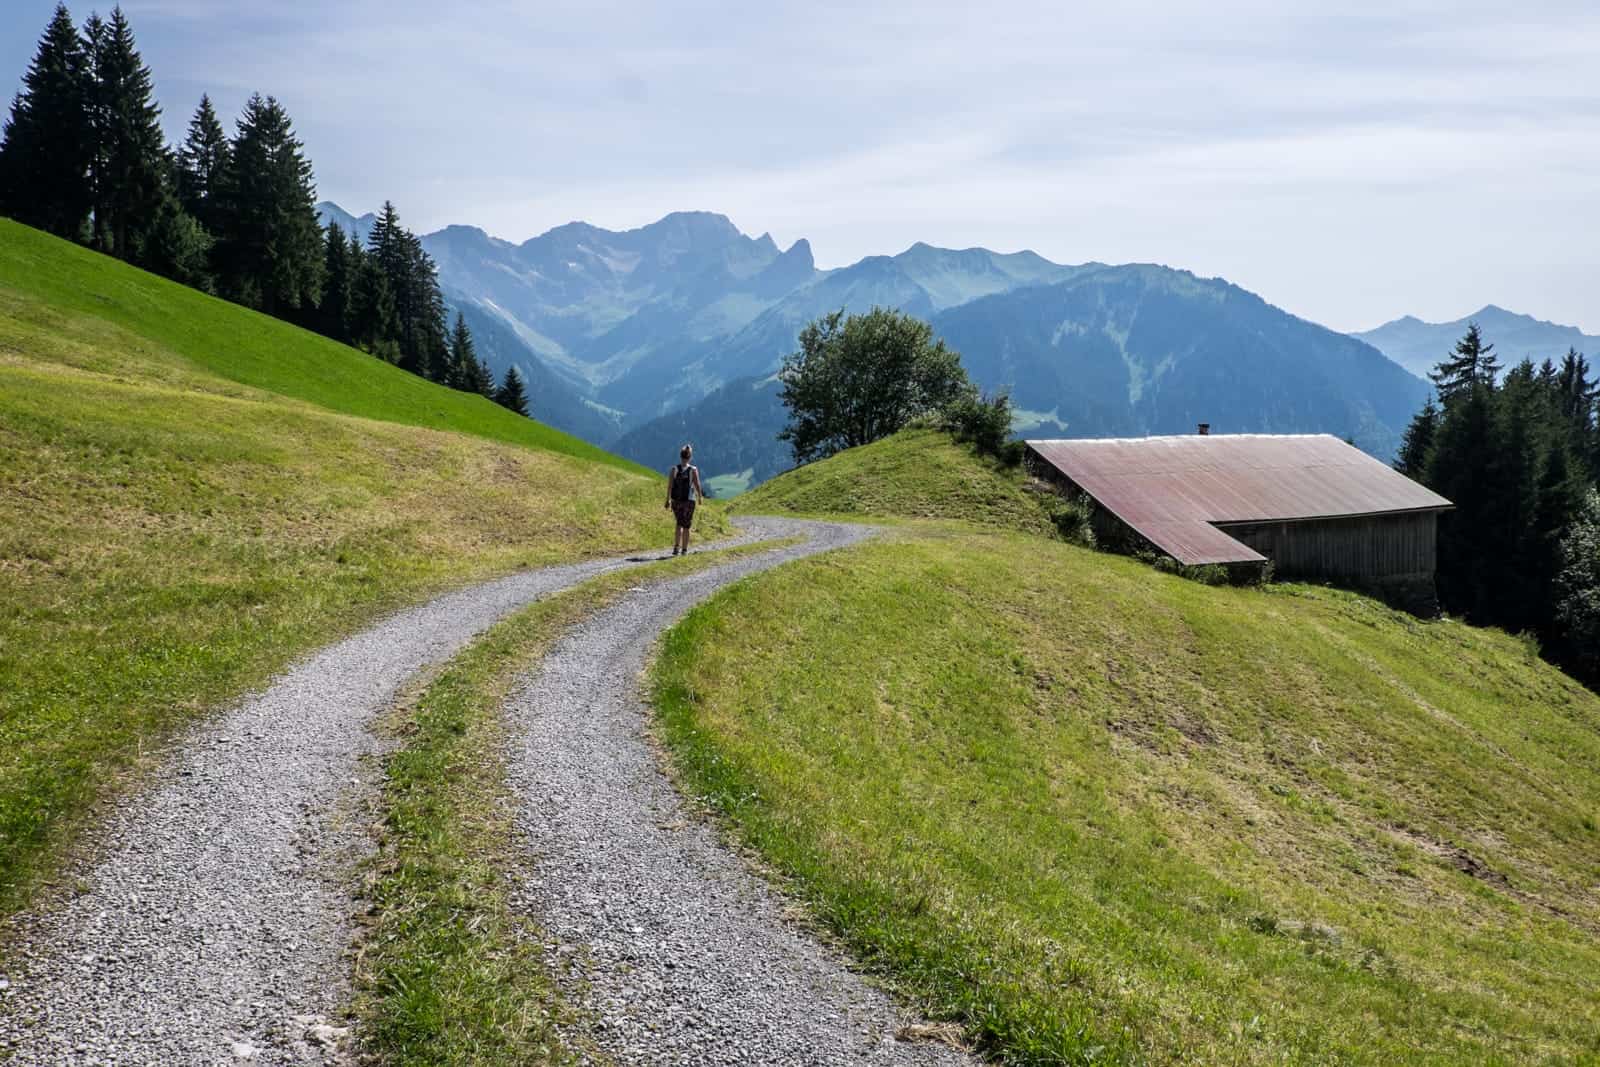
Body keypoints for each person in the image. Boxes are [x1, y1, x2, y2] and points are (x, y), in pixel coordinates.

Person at [665, 444, 704, 555]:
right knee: (686, 525)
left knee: (678, 523)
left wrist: (668, 499)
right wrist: (700, 497)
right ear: (690, 457)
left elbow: (670, 486)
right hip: (689, 501)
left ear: (680, 456)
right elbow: (697, 485)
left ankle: (676, 547)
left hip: (676, 501)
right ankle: (684, 550)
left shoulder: (674, 469)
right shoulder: (693, 470)